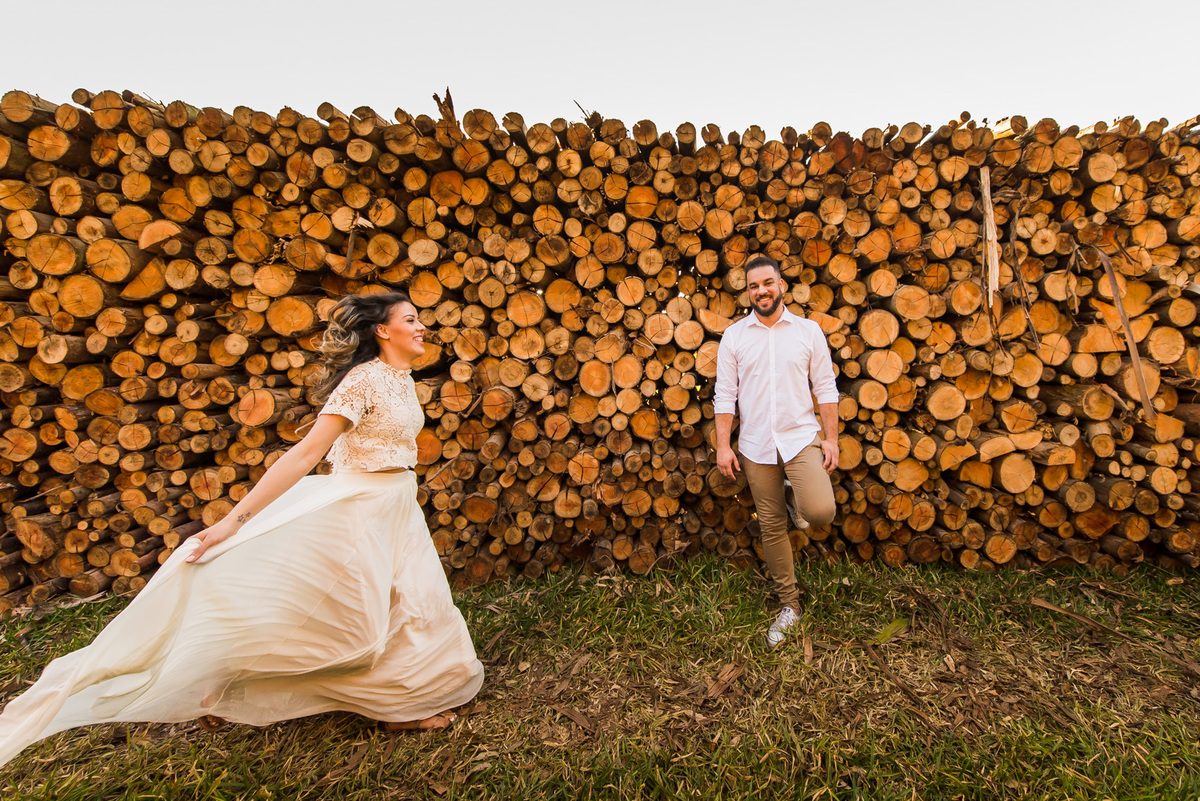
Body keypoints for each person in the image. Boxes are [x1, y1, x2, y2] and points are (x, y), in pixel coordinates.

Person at [0, 291, 484, 767]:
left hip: (395, 505)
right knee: (348, 620)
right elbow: (303, 455)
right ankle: (233, 686)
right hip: (357, 507)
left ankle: (400, 702)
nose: (422, 327)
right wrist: (232, 522)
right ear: (382, 329)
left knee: (413, 602)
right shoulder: (360, 382)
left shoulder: (400, 376)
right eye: (412, 319)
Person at [713, 256, 840, 647]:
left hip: (800, 437)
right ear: (747, 291)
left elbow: (825, 386)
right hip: (755, 445)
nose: (761, 291)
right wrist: (723, 445)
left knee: (821, 512)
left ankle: (797, 499)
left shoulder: (808, 331)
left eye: (768, 283)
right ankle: (790, 604)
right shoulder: (734, 336)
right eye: (753, 286)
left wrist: (831, 438)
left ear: (781, 284)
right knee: (771, 525)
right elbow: (725, 395)